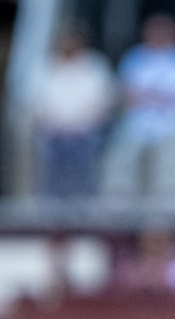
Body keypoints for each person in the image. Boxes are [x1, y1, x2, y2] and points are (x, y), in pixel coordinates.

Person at [107, 13, 175, 198]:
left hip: (174, 119)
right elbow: (125, 92)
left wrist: (150, 96)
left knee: (171, 153)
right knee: (123, 150)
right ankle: (118, 195)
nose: (159, 35)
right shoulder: (135, 57)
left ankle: (168, 196)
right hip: (139, 117)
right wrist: (154, 97)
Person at [33, 30, 117, 199]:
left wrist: (80, 125)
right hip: (53, 131)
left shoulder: (95, 66)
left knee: (88, 156)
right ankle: (50, 204)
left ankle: (86, 202)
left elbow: (104, 101)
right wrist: (55, 125)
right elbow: (34, 103)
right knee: (47, 155)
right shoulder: (43, 67)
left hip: (85, 131)